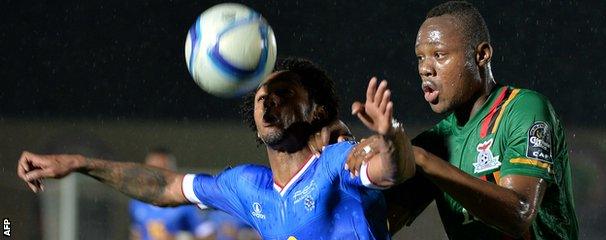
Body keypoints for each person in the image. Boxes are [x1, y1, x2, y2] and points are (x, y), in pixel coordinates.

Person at [17, 58, 415, 239]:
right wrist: (79, 163)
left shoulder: (334, 163)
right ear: (257, 127)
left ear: (314, 112)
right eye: (262, 96)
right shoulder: (247, 187)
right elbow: (164, 188)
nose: (268, 101)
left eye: (283, 93)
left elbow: (391, 170)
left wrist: (390, 133)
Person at [348, 1, 578, 239]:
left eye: (439, 54)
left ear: (481, 55)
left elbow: (518, 214)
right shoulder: (436, 141)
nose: (425, 69)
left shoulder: (523, 109)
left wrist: (418, 157)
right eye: (420, 58)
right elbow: (374, 227)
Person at [129, 147, 213, 240]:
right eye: (151, 168)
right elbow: (136, 233)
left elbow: (208, 236)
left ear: (171, 170)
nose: (155, 174)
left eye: (160, 169)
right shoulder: (138, 202)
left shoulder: (184, 201)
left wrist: (177, 238)